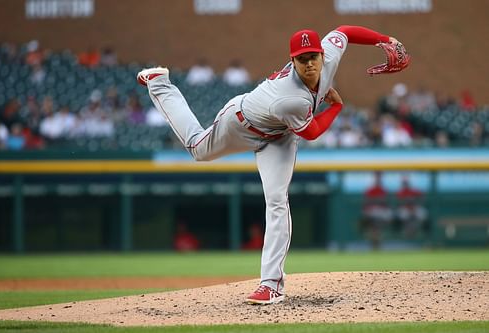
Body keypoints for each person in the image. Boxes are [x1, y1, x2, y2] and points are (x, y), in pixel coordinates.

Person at [137, 25, 406, 304]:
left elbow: (345, 31)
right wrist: (336, 108)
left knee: (277, 201)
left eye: (313, 56)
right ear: (293, 61)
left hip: (280, 137)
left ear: (322, 55)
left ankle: (270, 285)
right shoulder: (290, 97)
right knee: (197, 149)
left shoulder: (330, 56)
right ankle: (159, 82)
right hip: (241, 124)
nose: (310, 63)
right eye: (302, 59)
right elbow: (311, 132)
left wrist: (386, 39)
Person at [360, 171, 393, 250]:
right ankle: (374, 240)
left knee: (380, 224)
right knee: (372, 226)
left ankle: (377, 239)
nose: (378, 179)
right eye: (376, 177)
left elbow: (387, 206)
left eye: (379, 177)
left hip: (381, 215)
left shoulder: (384, 190)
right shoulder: (369, 190)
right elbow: (365, 206)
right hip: (372, 215)